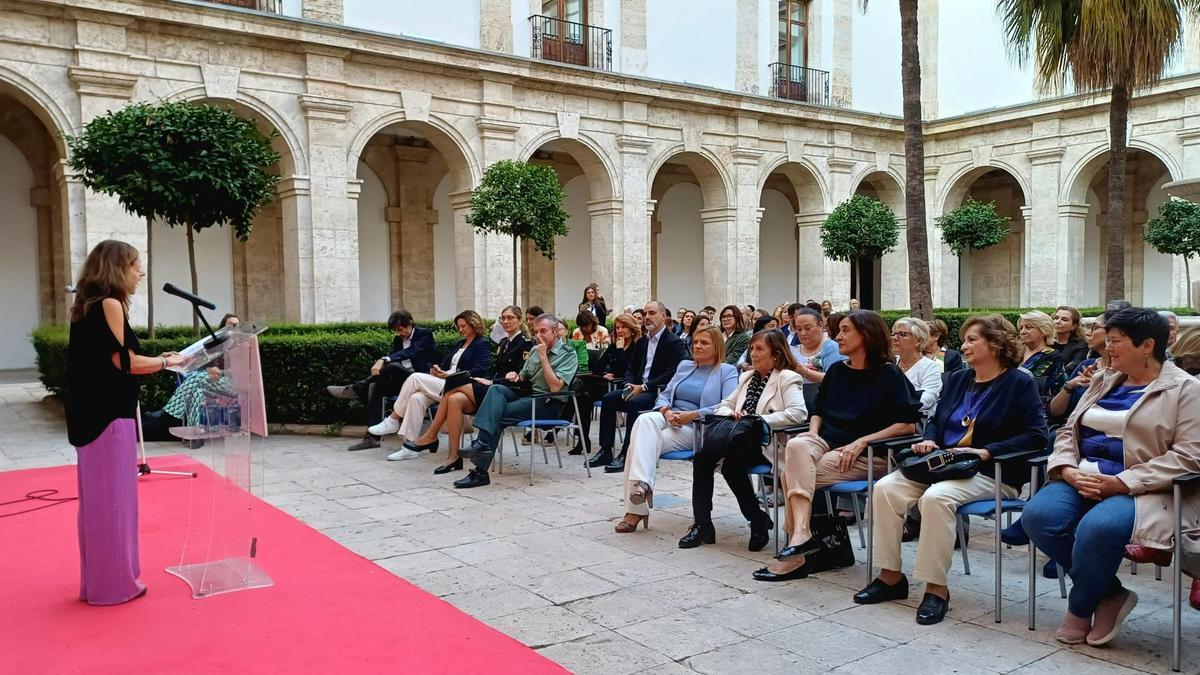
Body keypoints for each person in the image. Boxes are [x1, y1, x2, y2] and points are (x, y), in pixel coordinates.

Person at [1021, 307, 1200, 647]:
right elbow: (1066, 431)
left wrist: (1123, 482)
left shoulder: (1186, 389)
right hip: (1082, 476)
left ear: (1147, 345)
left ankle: (1078, 607)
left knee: (1097, 529)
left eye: (1115, 341)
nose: (1106, 347)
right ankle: (1109, 595)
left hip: (1142, 488)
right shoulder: (1103, 379)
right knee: (1037, 516)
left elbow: (1190, 456)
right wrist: (1067, 470)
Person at [854, 314, 1048, 624]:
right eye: (965, 339)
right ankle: (891, 577)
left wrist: (987, 450)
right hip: (944, 464)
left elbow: (1037, 435)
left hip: (990, 472)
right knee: (885, 488)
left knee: (936, 498)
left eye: (973, 339)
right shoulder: (958, 379)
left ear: (996, 344)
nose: (965, 345)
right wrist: (929, 441)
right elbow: (935, 420)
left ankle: (936, 589)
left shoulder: (1019, 382)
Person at [756, 311, 920, 582]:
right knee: (797, 446)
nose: (838, 336)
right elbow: (818, 411)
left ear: (866, 335)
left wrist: (862, 441)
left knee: (790, 474)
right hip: (827, 443)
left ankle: (795, 552)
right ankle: (801, 537)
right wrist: (812, 433)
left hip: (867, 455)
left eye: (845, 331)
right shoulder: (837, 371)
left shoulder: (889, 374)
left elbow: (908, 425)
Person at [67, 240, 188, 605]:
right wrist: (169, 362)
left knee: (98, 504)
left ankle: (99, 582)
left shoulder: (86, 305)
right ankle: (114, 585)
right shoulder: (110, 304)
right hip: (108, 417)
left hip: (90, 415)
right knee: (113, 503)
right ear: (118, 267)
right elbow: (125, 362)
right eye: (136, 265)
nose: (141, 272)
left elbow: (117, 358)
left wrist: (157, 358)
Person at [680, 330, 807, 551]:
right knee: (701, 458)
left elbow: (798, 413)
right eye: (752, 349)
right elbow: (725, 404)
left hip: (766, 442)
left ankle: (757, 520)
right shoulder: (746, 377)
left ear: (775, 355)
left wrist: (758, 419)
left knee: (730, 467)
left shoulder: (787, 378)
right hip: (738, 437)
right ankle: (703, 525)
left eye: (759, 349)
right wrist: (732, 414)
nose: (753, 354)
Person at [617, 325, 738, 532]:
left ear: (717, 347)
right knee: (644, 422)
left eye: (704, 343)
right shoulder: (685, 366)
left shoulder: (726, 372)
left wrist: (692, 415)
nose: (697, 346)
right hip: (670, 417)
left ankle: (635, 510)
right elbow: (665, 394)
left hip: (697, 427)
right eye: (695, 342)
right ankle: (643, 485)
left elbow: (728, 405)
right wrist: (666, 411)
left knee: (636, 445)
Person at [453, 314, 580, 489]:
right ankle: (481, 448)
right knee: (496, 389)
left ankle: (480, 469)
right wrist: (515, 376)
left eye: (543, 331)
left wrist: (544, 358)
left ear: (556, 332)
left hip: (546, 402)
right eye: (536, 332)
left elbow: (555, 387)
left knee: (497, 417)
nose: (539, 336)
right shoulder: (535, 350)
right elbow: (524, 376)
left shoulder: (568, 354)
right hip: (526, 395)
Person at [402, 306, 531, 473]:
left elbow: (521, 376)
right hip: (491, 388)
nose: (505, 321)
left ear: (519, 320)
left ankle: (431, 434)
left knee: (453, 385)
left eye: (510, 318)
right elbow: (495, 370)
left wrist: (490, 382)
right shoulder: (504, 342)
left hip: (503, 392)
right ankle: (453, 458)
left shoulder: (526, 343)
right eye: (503, 318)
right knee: (454, 400)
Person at [370, 311, 492, 460]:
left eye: (463, 326)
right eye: (458, 327)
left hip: (462, 385)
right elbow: (446, 364)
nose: (460, 330)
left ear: (474, 324)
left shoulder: (482, 344)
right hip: (445, 382)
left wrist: (448, 375)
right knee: (416, 398)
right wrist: (438, 370)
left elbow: (479, 370)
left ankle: (393, 419)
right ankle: (410, 446)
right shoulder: (459, 344)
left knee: (415, 378)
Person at [591, 302, 687, 472]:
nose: (647, 317)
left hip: (657, 392)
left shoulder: (674, 342)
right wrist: (629, 383)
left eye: (652, 313)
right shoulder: (643, 341)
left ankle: (627, 452)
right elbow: (632, 368)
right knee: (609, 399)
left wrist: (643, 387)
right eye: (645, 313)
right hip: (636, 388)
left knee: (636, 404)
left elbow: (671, 373)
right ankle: (606, 450)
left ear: (663, 316)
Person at [327, 309, 437, 451]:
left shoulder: (425, 335)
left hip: (421, 380)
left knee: (391, 366)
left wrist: (384, 359)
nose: (399, 334)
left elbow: (410, 352)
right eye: (396, 331)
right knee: (375, 386)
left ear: (410, 323)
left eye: (401, 329)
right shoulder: (398, 340)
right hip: (403, 381)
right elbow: (395, 355)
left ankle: (356, 389)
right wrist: (384, 362)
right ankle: (372, 438)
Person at [572, 312, 641, 455]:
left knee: (584, 391)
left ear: (632, 329)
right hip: (607, 383)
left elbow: (627, 370)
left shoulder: (638, 346)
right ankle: (583, 440)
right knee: (583, 396)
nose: (620, 331)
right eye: (617, 328)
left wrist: (621, 350)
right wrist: (604, 374)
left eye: (624, 327)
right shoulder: (614, 346)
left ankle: (564, 416)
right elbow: (598, 365)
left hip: (624, 385)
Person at [1047, 311, 1112, 421]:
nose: (1088, 333)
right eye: (1056, 318)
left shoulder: (1126, 371)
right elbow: (1053, 411)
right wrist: (1070, 386)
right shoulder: (1087, 365)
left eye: (1095, 328)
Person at [893, 317, 942, 421]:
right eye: (894, 334)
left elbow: (926, 400)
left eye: (902, 334)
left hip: (914, 425)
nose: (894, 338)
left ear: (918, 341)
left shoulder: (930, 367)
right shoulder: (890, 364)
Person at [785, 307, 845, 384]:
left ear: (820, 325)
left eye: (807, 328)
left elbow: (836, 378)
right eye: (799, 329)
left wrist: (805, 372)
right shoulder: (793, 350)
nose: (803, 333)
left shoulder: (833, 348)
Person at [1019, 310, 1066, 397]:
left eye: (1028, 327)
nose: (1023, 331)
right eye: (1021, 328)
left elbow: (1033, 384)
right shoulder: (1015, 350)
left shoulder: (1052, 356)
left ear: (1043, 330)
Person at [1052, 306, 1089, 374]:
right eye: (1056, 318)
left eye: (1064, 319)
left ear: (1074, 326)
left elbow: (1073, 367)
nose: (1057, 322)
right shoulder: (1046, 341)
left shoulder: (1081, 345)